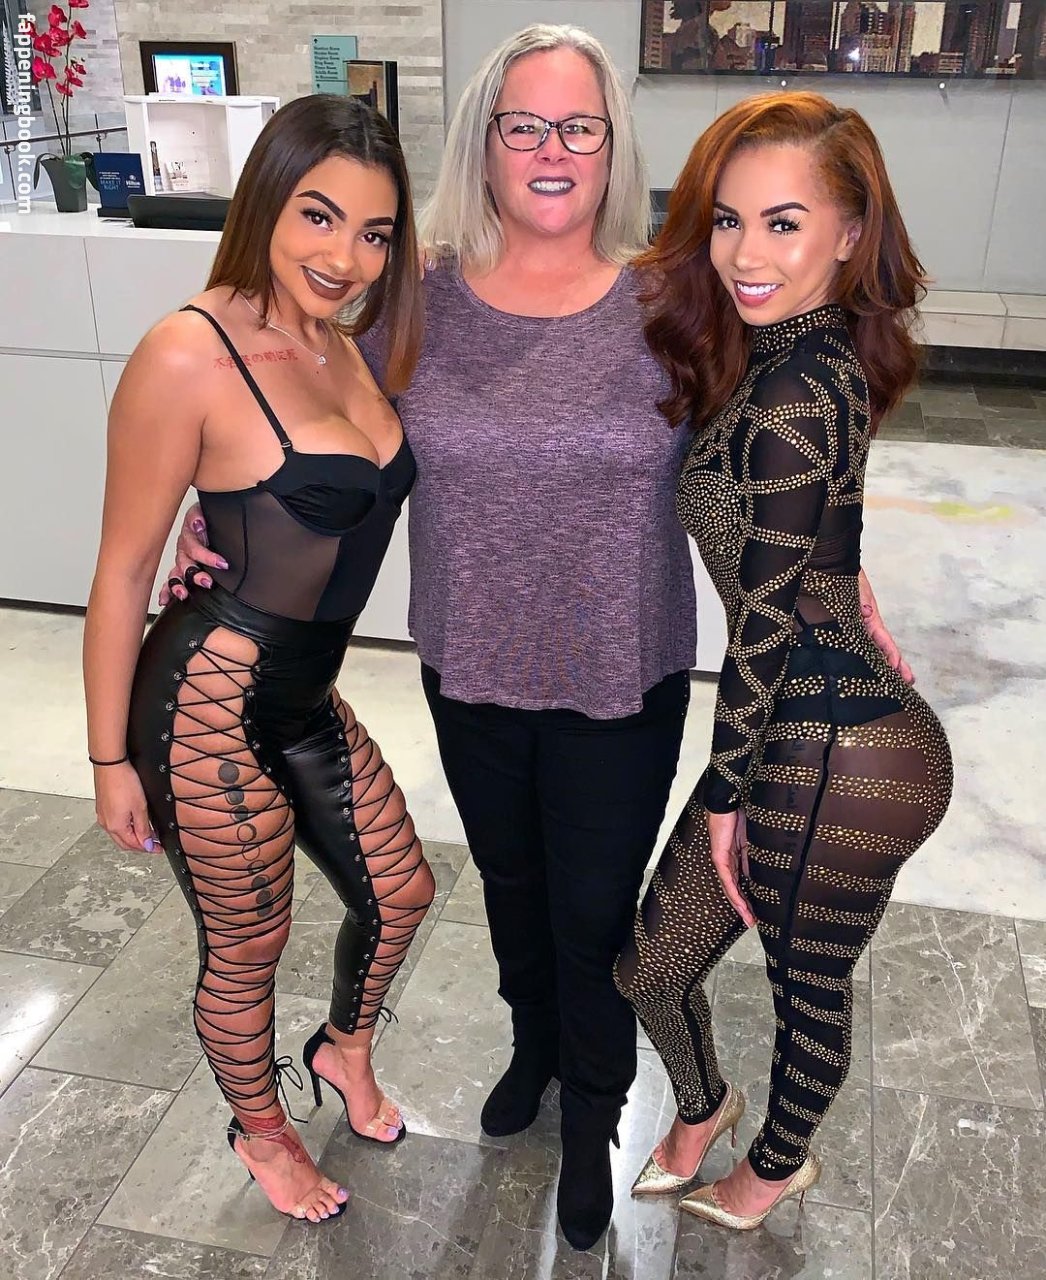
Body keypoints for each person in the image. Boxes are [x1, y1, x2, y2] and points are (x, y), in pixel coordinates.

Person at [162, 31, 914, 1251]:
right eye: (523, 125)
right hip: (469, 666)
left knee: (594, 916)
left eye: (578, 127)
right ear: (485, 143)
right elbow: (311, 416)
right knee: (510, 890)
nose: (550, 150)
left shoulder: (674, 298)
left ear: (610, 146)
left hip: (621, 677)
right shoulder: (418, 299)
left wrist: (842, 568)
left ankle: (594, 1109)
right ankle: (532, 1047)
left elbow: (775, 454)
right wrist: (217, 522)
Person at [83, 95, 435, 1226]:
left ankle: (342, 1049)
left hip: (304, 693)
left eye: (374, 232)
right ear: (265, 203)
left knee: (402, 892)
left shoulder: (346, 339)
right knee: (249, 938)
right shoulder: (187, 351)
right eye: (317, 216)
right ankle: (261, 1131)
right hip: (205, 698)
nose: (345, 257)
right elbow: (123, 572)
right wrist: (108, 760)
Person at [614, 91, 953, 1230]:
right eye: (727, 219)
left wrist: (723, 796)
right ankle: (702, 1107)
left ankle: (769, 1170)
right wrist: (848, 581)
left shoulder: (795, 383)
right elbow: (814, 523)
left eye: (782, 222)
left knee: (805, 987)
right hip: (809, 726)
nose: (745, 254)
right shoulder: (797, 356)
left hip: (840, 753)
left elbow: (760, 625)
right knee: (653, 966)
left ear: (849, 233)